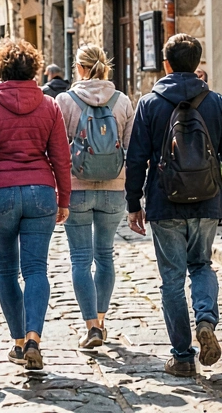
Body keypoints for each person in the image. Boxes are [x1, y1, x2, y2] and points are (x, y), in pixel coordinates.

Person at [126, 33, 222, 378]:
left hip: (165, 202)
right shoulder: (217, 103)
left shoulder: (149, 103)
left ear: (166, 64)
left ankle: (181, 356)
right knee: (202, 265)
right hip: (207, 198)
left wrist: (134, 203)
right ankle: (206, 320)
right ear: (198, 63)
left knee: (172, 280)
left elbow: (135, 159)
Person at [0, 39, 70, 372]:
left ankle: (19, 343)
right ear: (34, 69)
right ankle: (35, 336)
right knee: (36, 269)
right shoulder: (49, 106)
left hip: (0, 193)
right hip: (40, 191)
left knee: (7, 270)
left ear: (1, 69)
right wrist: (63, 198)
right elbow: (61, 158)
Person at [54, 44, 134, 348]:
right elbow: (131, 149)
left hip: (77, 189)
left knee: (80, 258)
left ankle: (90, 326)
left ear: (80, 68)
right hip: (114, 189)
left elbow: (59, 151)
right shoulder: (123, 101)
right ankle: (101, 318)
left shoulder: (65, 100)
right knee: (105, 256)